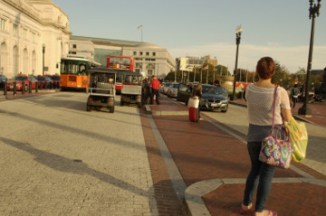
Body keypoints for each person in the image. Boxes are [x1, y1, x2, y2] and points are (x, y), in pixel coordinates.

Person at [240, 57, 292, 216]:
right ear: (273, 71)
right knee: (267, 175)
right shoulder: (280, 91)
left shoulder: (249, 89)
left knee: (254, 170)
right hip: (273, 138)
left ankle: (246, 203)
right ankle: (260, 210)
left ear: (257, 70)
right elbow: (288, 118)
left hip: (253, 136)